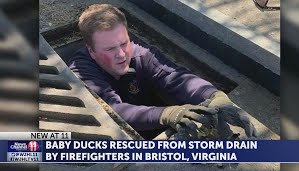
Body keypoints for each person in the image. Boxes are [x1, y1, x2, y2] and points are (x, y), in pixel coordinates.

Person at [68, 4, 257, 139]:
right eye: (109, 49)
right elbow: (112, 111)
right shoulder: (81, 71)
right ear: (91, 51)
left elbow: (175, 76)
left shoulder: (139, 54)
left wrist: (215, 96)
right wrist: (168, 114)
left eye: (123, 43)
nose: (121, 54)